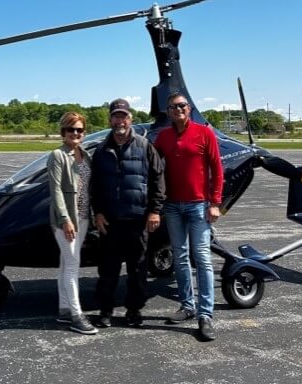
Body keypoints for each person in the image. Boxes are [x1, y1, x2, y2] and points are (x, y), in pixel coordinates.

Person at [154, 92, 224, 341]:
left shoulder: (205, 133)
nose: (178, 109)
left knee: (202, 257)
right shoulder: (163, 137)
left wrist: (215, 203)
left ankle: (206, 314)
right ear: (169, 112)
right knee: (180, 256)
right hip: (172, 206)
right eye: (173, 107)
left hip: (198, 206)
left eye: (182, 105)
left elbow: (217, 168)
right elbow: (153, 165)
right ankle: (187, 306)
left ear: (190, 108)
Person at [91, 98, 165, 328]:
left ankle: (134, 310)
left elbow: (158, 178)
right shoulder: (101, 150)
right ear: (110, 119)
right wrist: (98, 213)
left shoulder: (144, 146)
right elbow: (94, 185)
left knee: (138, 271)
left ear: (130, 119)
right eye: (116, 116)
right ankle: (105, 310)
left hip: (138, 220)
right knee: (107, 271)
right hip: (111, 221)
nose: (119, 120)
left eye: (123, 116)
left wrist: (154, 210)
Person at [47, 111, 98, 335]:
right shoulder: (57, 155)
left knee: (66, 264)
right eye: (71, 129)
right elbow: (56, 190)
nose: (75, 133)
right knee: (72, 265)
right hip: (66, 220)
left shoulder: (84, 155)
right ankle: (77, 316)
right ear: (63, 132)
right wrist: (65, 219)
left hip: (84, 217)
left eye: (79, 129)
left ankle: (65, 309)